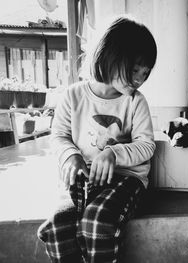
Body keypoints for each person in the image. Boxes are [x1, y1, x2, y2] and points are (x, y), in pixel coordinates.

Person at [37, 15, 157, 263]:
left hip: (126, 178)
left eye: (145, 73)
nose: (140, 79)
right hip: (84, 178)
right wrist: (70, 156)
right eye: (135, 70)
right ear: (112, 57)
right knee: (56, 227)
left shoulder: (136, 101)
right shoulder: (73, 95)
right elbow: (59, 135)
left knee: (97, 221)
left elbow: (147, 146)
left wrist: (114, 153)